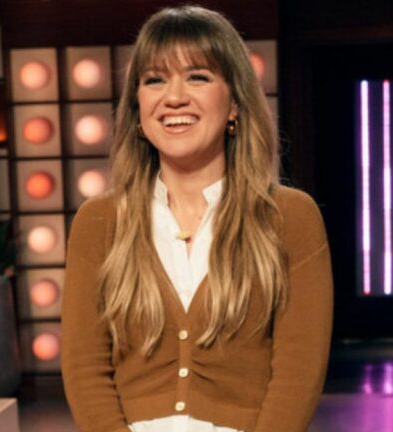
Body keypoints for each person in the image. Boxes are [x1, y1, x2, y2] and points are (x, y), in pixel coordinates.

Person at [60, 5, 333, 432]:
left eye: (198, 77)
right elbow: (84, 368)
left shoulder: (289, 218)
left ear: (234, 105)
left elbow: (299, 372)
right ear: (138, 110)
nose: (173, 97)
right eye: (154, 80)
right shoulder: (100, 221)